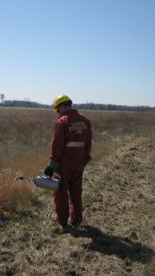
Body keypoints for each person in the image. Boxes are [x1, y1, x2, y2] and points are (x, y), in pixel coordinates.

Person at [44, 94, 92, 229]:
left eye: (58, 110)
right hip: (79, 161)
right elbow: (88, 142)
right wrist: (85, 158)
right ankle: (76, 220)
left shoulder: (62, 121)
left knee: (60, 191)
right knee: (76, 191)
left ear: (62, 106)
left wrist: (52, 164)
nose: (58, 113)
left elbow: (57, 145)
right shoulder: (86, 121)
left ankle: (62, 220)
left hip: (64, 163)